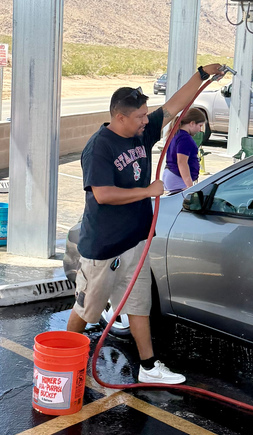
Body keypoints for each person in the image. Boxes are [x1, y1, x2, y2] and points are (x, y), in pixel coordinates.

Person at [66, 64, 224, 384]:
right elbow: (103, 194)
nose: (146, 120)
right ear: (120, 117)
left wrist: (201, 74)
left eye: (146, 115)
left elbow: (173, 106)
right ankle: (65, 359)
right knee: (87, 309)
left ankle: (149, 367)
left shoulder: (141, 130)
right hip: (104, 247)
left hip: (137, 240)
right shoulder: (100, 147)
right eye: (139, 116)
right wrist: (148, 191)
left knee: (139, 305)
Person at [163, 107, 205, 193]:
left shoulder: (176, 134)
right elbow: (182, 162)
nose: (200, 130)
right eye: (200, 126)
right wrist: (190, 186)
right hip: (178, 177)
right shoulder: (185, 139)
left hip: (173, 174)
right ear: (192, 123)